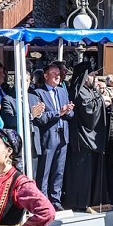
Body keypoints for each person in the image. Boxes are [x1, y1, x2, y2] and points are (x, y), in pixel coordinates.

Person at [31, 62, 73, 211]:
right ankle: (43, 201)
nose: (57, 76)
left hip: (63, 136)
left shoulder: (62, 91)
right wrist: (58, 113)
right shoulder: (38, 93)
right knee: (45, 171)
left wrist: (68, 111)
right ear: (46, 75)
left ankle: (56, 200)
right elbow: (40, 118)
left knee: (59, 170)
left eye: (59, 74)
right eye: (54, 73)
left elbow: (71, 115)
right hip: (48, 137)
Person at [65, 61, 106, 212]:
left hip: (92, 139)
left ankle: (91, 200)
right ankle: (80, 202)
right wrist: (100, 99)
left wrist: (98, 96)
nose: (95, 78)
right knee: (82, 174)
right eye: (92, 75)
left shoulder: (90, 90)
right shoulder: (79, 91)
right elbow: (88, 111)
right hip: (82, 139)